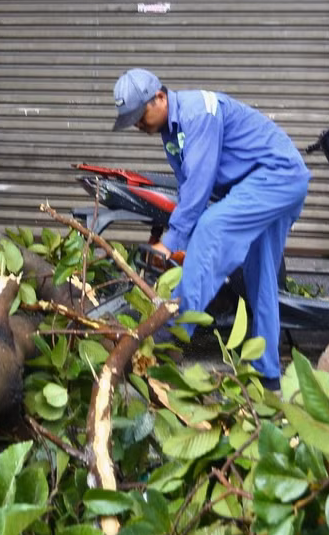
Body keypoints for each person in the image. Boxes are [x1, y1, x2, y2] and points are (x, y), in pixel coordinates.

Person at [111, 68, 310, 388]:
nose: (137, 125)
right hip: (269, 183)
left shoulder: (197, 113)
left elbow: (199, 185)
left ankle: (170, 335)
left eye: (138, 115)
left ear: (159, 98)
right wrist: (178, 243)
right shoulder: (171, 132)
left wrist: (172, 240)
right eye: (131, 119)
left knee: (212, 229)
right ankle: (269, 375)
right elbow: (188, 185)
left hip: (277, 175)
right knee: (261, 280)